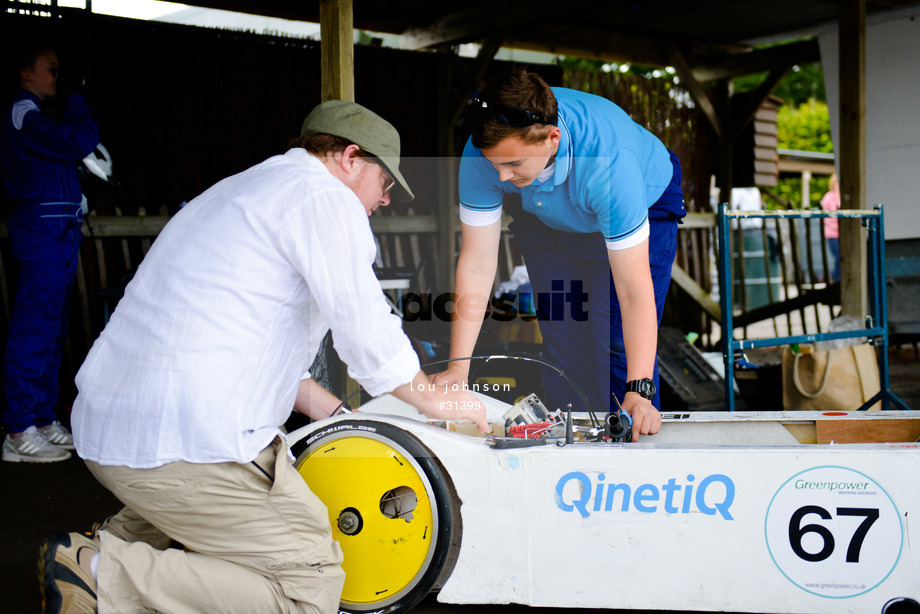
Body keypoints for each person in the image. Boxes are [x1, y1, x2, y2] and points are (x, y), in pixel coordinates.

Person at [38, 100, 487, 614]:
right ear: (350, 157)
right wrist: (435, 399)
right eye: (385, 184)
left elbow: (261, 355)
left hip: (117, 432)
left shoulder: (238, 190)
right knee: (309, 585)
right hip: (186, 440)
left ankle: (114, 544)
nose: (384, 200)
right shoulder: (323, 197)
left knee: (259, 479)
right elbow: (368, 333)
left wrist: (341, 416)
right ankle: (102, 574)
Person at [432, 68, 686, 441]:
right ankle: (570, 458)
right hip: (547, 215)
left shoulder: (609, 162)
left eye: (513, 164)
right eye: (494, 164)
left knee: (614, 343)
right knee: (564, 344)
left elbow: (633, 292)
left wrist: (640, 390)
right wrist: (458, 368)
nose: (500, 177)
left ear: (552, 138)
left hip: (638, 199)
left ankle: (631, 459)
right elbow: (477, 262)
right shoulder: (483, 155)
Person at [0, 44, 99, 463]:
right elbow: (80, 139)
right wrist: (77, 99)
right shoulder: (23, 112)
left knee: (51, 330)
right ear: (26, 73)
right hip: (40, 229)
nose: (57, 77)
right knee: (33, 329)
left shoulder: (39, 116)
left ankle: (41, 419)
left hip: (56, 230)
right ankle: (18, 430)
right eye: (51, 69)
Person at [820, 172, 841, 282]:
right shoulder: (829, 197)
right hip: (832, 234)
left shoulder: (840, 197)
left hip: (841, 233)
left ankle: (834, 276)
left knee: (841, 257)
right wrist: (834, 225)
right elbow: (825, 217)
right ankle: (836, 278)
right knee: (838, 256)